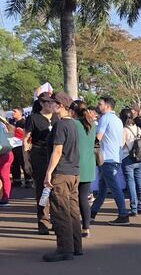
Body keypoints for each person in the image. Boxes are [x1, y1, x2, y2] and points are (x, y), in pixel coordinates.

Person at [43, 91, 82, 262]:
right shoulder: (74, 124)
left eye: (52, 103)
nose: (49, 105)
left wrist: (49, 172)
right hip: (74, 172)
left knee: (60, 211)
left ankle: (64, 248)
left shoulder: (60, 125)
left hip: (62, 172)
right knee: (73, 210)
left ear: (60, 106)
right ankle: (75, 245)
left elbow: (57, 150)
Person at [91, 96, 130, 224]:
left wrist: (90, 148)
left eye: (100, 103)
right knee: (103, 188)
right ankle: (92, 212)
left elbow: (98, 137)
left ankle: (123, 214)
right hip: (114, 157)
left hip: (107, 158)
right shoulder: (117, 120)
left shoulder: (105, 118)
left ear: (107, 106)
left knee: (114, 188)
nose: (98, 105)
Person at [25, 94, 59, 234]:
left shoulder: (57, 117)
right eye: (46, 102)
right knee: (42, 190)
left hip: (55, 155)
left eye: (52, 102)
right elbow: (26, 140)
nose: (49, 105)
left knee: (56, 189)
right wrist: (26, 160)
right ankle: (43, 221)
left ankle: (57, 221)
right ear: (41, 103)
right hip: (39, 154)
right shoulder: (33, 118)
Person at [71, 101, 96, 237]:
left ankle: (73, 226)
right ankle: (86, 227)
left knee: (73, 198)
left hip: (75, 165)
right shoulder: (92, 124)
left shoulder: (73, 124)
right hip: (89, 165)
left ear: (73, 111)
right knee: (83, 198)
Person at [120, 108, 141, 216]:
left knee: (130, 183)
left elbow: (121, 144)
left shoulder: (124, 130)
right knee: (139, 182)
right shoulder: (138, 128)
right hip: (139, 158)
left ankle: (134, 208)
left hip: (128, 158)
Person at [8, 106, 30, 188]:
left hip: (21, 145)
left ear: (20, 113)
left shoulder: (24, 122)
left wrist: (19, 131)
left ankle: (28, 181)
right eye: (12, 111)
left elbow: (27, 134)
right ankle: (16, 181)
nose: (13, 113)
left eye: (15, 111)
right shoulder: (11, 122)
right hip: (12, 146)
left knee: (24, 163)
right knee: (14, 164)